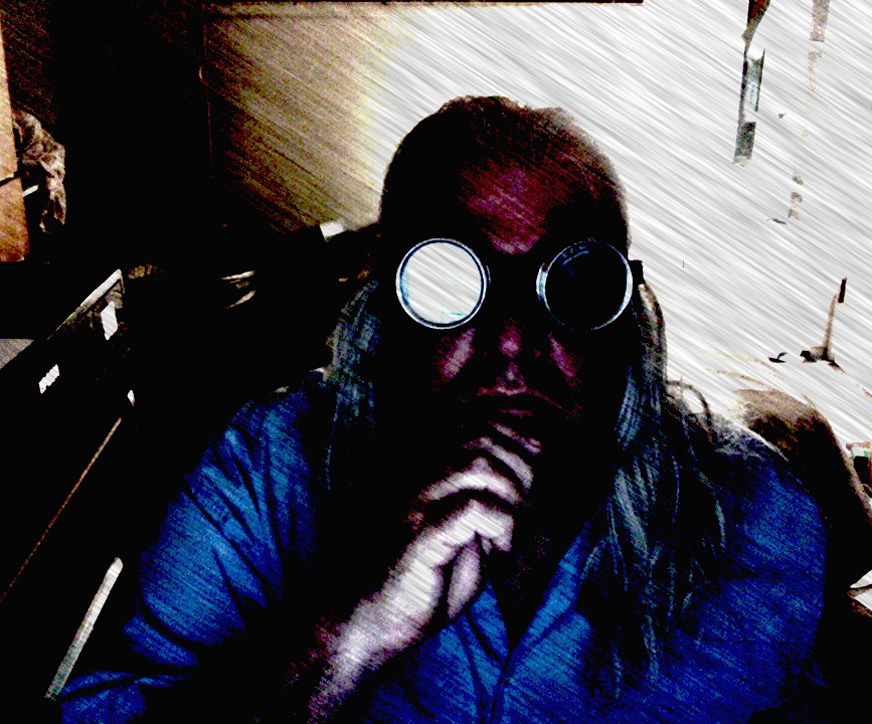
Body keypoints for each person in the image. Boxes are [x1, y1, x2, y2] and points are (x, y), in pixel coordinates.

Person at [59, 96, 834, 722]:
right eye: (448, 282)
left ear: (624, 317)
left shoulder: (754, 519)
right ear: (382, 307)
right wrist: (347, 634)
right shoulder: (268, 470)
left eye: (572, 285)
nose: (512, 340)